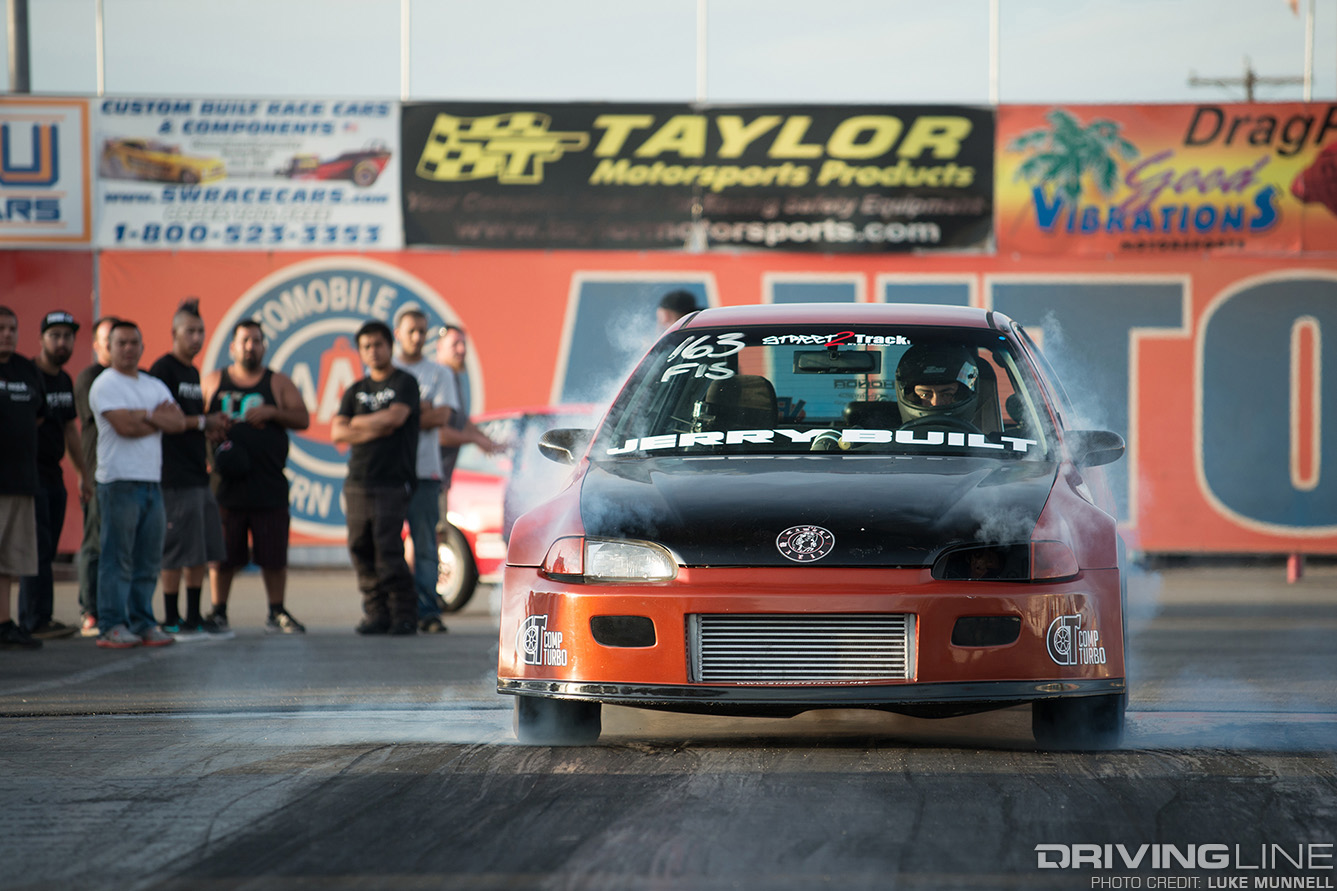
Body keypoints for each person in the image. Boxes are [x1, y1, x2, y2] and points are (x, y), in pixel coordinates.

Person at [202, 319, 311, 635]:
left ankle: (276, 611)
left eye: (257, 340)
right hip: (226, 486)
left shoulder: (277, 382)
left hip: (268, 483)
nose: (252, 346)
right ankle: (219, 611)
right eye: (245, 340)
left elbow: (302, 417)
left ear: (264, 346)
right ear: (233, 346)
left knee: (273, 554)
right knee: (223, 555)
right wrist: (210, 427)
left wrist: (273, 413)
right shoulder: (213, 381)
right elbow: (194, 421)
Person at [89, 320, 185, 649]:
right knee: (117, 558)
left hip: (151, 484)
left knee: (147, 559)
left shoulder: (153, 384)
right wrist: (153, 418)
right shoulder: (105, 385)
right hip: (118, 482)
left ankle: (143, 622)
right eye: (121, 343)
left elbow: (177, 422)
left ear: (143, 347)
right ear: (108, 348)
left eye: (134, 343)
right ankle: (112, 624)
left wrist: (142, 416)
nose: (128, 349)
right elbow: (124, 427)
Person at [148, 299, 231, 638]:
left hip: (198, 473)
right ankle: (170, 618)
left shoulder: (193, 372)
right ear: (174, 333)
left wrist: (207, 428)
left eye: (201, 332)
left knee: (201, 548)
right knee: (175, 550)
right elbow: (167, 420)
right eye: (190, 331)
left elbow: (191, 422)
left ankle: (194, 616)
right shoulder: (162, 370)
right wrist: (202, 421)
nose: (196, 338)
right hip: (173, 476)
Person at [333, 319, 420, 636]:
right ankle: (376, 613)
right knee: (360, 546)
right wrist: (374, 425)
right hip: (357, 481)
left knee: (388, 549)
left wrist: (358, 425)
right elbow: (337, 431)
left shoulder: (405, 383)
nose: (373, 351)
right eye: (366, 346)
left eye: (378, 344)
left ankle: (405, 615)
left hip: (392, 481)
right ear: (360, 352)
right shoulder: (355, 390)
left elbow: (395, 419)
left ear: (389, 346)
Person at [19, 311, 89, 640]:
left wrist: (83, 475)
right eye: (55, 335)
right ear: (41, 339)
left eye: (67, 336)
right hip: (27, 475)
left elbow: (70, 431)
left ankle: (42, 618)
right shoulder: (27, 375)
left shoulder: (64, 380)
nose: (62, 342)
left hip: (54, 474)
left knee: (47, 547)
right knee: (36, 548)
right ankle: (32, 620)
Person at [392, 305, 458, 634]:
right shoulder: (385, 371)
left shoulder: (439, 373)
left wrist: (398, 416)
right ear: (398, 334)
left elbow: (442, 418)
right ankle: (393, 609)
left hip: (426, 472)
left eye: (422, 331)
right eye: (411, 331)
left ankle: (428, 610)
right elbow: (379, 422)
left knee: (426, 545)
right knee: (386, 545)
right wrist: (421, 412)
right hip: (388, 472)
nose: (417, 337)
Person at [0, 307, 46, 651]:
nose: (7, 334)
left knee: (10, 560)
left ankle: (4, 624)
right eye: (1, 328)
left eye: (12, 328)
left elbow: (39, 416)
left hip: (20, 480)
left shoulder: (27, 369)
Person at [73, 316, 118, 636]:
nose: (117, 345)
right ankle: (90, 610)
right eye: (108, 339)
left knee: (121, 546)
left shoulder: (131, 378)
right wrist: (84, 474)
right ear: (97, 345)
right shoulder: (91, 378)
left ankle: (115, 609)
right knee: (94, 545)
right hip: (98, 472)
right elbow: (114, 417)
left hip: (124, 474)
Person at [434, 324, 501, 510]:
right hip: (426, 480)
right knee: (427, 535)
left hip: (440, 481)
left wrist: (491, 443)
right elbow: (439, 433)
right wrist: (475, 440)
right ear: (439, 346)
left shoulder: (452, 378)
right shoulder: (438, 377)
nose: (462, 350)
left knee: (438, 534)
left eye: (463, 344)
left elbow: (463, 422)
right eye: (455, 344)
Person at [894, 343, 980, 424]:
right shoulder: (882, 435)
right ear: (913, 396)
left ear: (960, 394)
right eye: (925, 395)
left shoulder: (987, 438)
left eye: (946, 394)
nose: (935, 403)